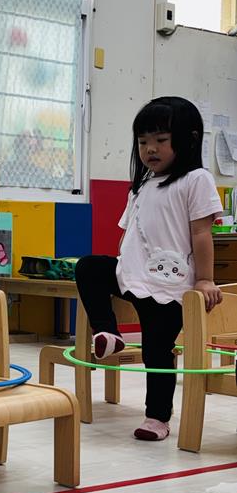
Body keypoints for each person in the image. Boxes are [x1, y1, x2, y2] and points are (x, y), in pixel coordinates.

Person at [75, 96, 222, 441]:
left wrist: (204, 279)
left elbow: (202, 233)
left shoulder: (196, 180)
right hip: (131, 276)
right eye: (143, 142)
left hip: (168, 287)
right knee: (89, 266)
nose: (150, 149)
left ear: (188, 140)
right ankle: (109, 333)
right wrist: (123, 261)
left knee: (157, 351)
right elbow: (129, 231)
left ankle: (157, 417)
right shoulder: (141, 185)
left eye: (160, 140)